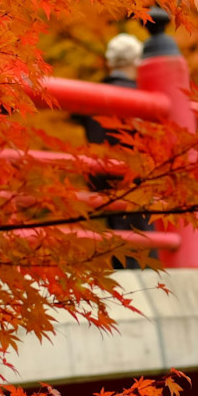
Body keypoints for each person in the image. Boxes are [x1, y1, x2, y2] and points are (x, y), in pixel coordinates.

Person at [79, 33, 152, 267]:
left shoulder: (91, 95)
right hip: (141, 181)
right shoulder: (145, 97)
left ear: (110, 62)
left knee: (120, 242)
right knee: (146, 244)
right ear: (136, 61)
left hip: (103, 179)